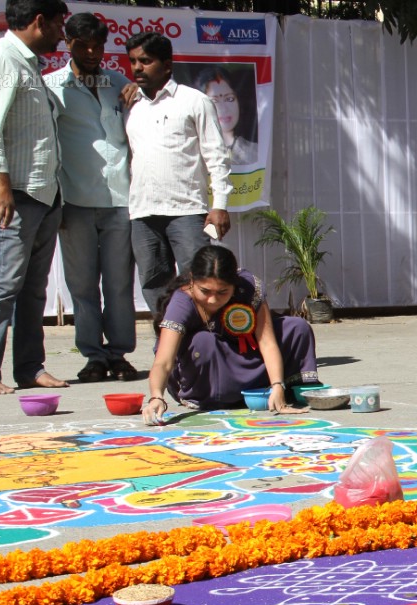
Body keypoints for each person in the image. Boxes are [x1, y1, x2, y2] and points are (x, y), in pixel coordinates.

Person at [0, 0, 70, 395]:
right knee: (3, 284)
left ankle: (29, 368)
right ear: (39, 21)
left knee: (32, 289)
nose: (63, 31)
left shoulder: (29, 64)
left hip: (43, 193)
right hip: (13, 194)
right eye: (59, 23)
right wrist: (2, 186)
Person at [45, 12, 138, 383]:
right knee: (82, 286)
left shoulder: (121, 84)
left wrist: (135, 96)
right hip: (74, 201)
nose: (90, 51)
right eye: (82, 44)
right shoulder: (51, 87)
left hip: (121, 199)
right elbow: (47, 146)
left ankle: (118, 355)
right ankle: (93, 357)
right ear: (67, 43)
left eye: (97, 45)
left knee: (119, 284)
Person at [142, 245, 320, 424]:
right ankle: (214, 396)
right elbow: (163, 361)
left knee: (296, 327)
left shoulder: (248, 287)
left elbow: (267, 343)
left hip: (242, 355)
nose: (212, 300)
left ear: (234, 286)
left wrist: (278, 385)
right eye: (205, 291)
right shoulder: (181, 302)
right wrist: (157, 397)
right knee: (204, 341)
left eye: (222, 292)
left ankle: (278, 392)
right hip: (205, 366)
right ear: (192, 281)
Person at [125, 31, 232, 312]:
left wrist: (219, 205)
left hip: (186, 210)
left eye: (145, 61)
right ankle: (167, 344)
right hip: (142, 212)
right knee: (153, 282)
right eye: (133, 61)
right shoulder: (130, 105)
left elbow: (216, 155)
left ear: (167, 65)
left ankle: (204, 345)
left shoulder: (194, 101)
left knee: (199, 280)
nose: (137, 67)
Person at [194, 66, 257, 166]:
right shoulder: (192, 153)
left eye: (229, 99)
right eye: (214, 101)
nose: (223, 109)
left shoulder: (255, 152)